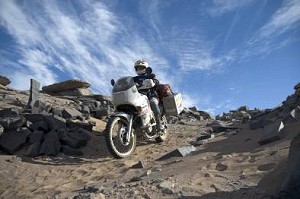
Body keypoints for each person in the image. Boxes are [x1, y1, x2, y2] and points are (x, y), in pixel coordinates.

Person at [133, 59, 164, 131]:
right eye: (138, 68)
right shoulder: (134, 79)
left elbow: (157, 82)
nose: (139, 69)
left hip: (151, 96)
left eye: (141, 67)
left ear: (146, 68)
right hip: (139, 98)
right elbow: (128, 83)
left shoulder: (150, 76)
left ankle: (159, 124)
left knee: (152, 102)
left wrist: (153, 82)